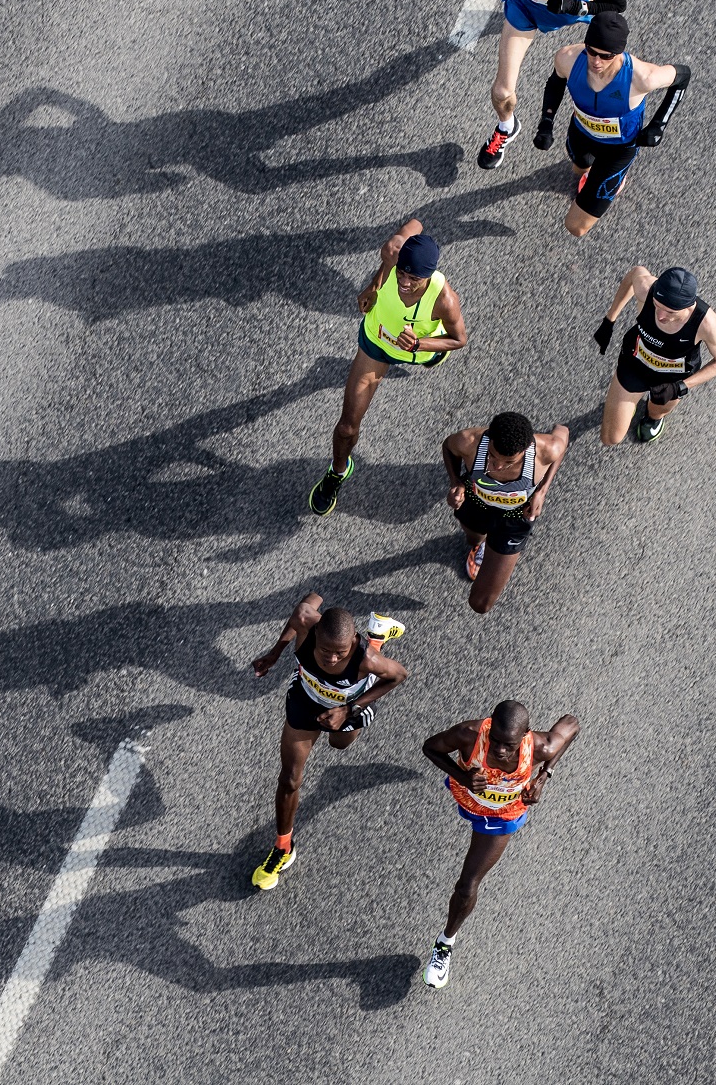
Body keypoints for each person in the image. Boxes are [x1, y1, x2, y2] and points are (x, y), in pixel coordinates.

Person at [308, 219, 469, 516]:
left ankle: (426, 357)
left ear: (430, 274)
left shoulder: (445, 300)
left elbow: (458, 339)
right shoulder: (394, 252)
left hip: (417, 351)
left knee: (434, 358)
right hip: (377, 344)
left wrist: (421, 345)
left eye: (414, 278)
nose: (405, 281)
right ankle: (338, 471)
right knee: (347, 426)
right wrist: (373, 286)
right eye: (402, 273)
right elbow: (417, 223)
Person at [247, 598, 409, 890]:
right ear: (316, 633)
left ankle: (377, 637)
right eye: (325, 650)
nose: (331, 659)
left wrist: (350, 709)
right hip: (305, 701)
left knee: (339, 744)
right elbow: (309, 602)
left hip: (347, 706)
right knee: (289, 778)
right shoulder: (306, 622)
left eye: (340, 653)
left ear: (353, 642)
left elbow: (399, 676)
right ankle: (283, 847)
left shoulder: (366, 661)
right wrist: (273, 654)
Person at [419, 701, 580, 989]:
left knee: (467, 884)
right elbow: (430, 747)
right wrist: (463, 776)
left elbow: (571, 724)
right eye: (495, 740)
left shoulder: (541, 747)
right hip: (468, 798)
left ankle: (445, 943)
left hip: (500, 814)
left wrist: (545, 775)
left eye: (509, 744)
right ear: (489, 726)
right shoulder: (469, 733)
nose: (500, 750)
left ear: (526, 735)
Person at [477, 0, 626, 169]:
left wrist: (575, 7)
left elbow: (618, 4)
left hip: (565, 15)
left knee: (609, 49)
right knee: (502, 91)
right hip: (523, 10)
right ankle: (507, 127)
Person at [530, 11, 692, 236]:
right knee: (579, 168)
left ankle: (613, 179)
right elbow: (555, 83)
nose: (596, 61)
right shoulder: (567, 57)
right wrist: (546, 123)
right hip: (580, 132)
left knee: (576, 227)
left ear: (619, 52)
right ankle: (589, 174)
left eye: (606, 56)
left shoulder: (643, 77)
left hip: (618, 151)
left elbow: (683, 77)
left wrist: (658, 125)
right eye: (592, 52)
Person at [441, 412, 568, 614]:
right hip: (475, 505)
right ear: (488, 439)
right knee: (473, 538)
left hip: (514, 520)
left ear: (525, 450)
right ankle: (478, 546)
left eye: (508, 462)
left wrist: (542, 490)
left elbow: (562, 442)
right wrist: (455, 482)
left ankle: (488, 547)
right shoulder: (470, 441)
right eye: (492, 455)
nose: (497, 466)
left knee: (480, 604)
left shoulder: (546, 449)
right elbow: (448, 447)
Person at [594, 264, 716, 444]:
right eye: (657, 306)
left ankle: (653, 418)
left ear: (689, 307)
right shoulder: (646, 288)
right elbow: (635, 273)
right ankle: (630, 405)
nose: (660, 316)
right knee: (610, 438)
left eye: (670, 312)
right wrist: (609, 320)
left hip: (671, 380)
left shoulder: (706, 323)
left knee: (657, 409)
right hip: (635, 365)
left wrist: (681, 387)